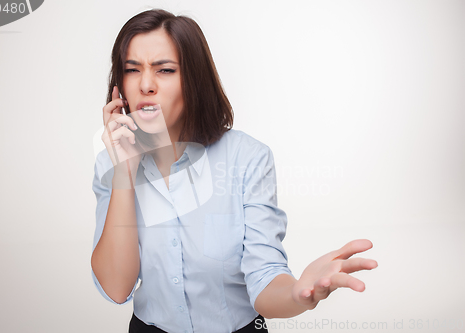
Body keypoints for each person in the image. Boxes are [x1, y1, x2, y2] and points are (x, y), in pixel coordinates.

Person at [90, 8, 378, 333]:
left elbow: (265, 276)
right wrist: (125, 173)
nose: (145, 85)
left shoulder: (247, 158)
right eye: (132, 69)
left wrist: (299, 295)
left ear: (194, 80)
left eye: (165, 70)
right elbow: (117, 288)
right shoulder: (111, 164)